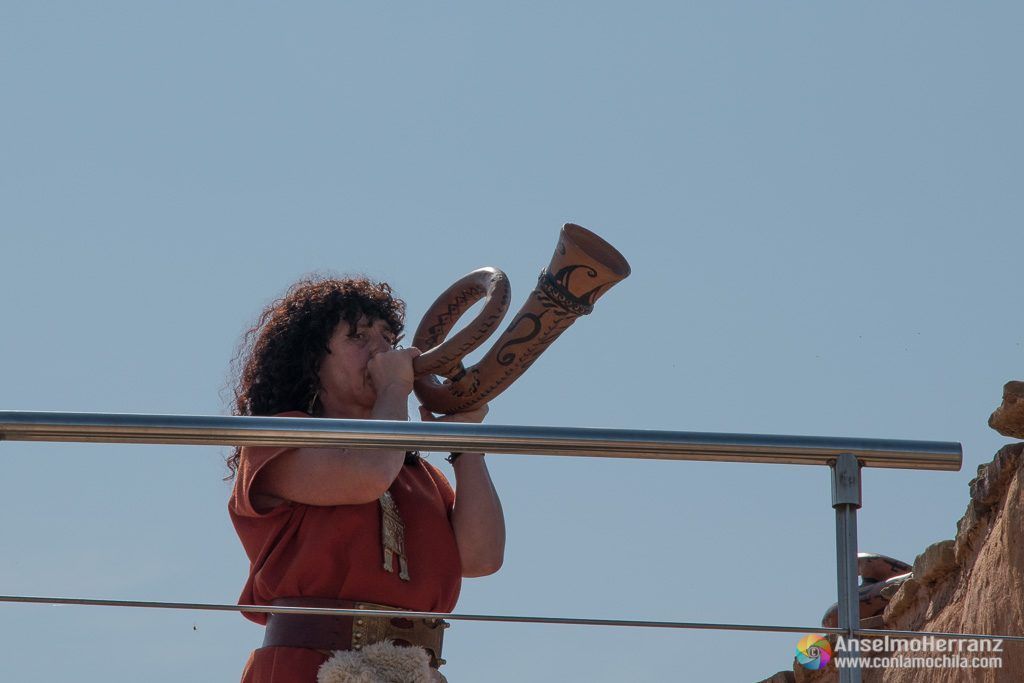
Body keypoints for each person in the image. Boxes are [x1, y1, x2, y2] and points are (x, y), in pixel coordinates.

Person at [227, 276, 506, 683]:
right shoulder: (277, 439)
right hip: (307, 669)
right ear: (311, 360)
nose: (381, 350)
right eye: (358, 337)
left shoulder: (416, 474)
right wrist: (394, 387)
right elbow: (369, 476)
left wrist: (466, 443)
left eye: (388, 338)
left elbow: (482, 558)